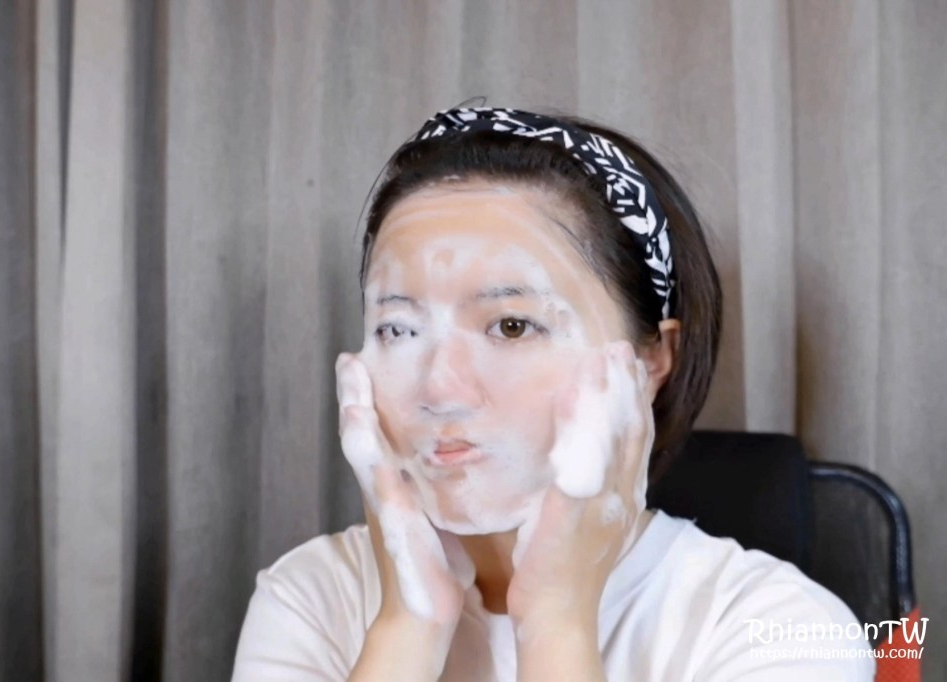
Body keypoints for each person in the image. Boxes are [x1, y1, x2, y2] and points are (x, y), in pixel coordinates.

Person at [232, 106, 875, 681]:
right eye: (398, 329)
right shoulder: (311, 598)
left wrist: (555, 622)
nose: (439, 389)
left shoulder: (779, 628)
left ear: (652, 358)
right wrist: (409, 625)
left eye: (513, 326)